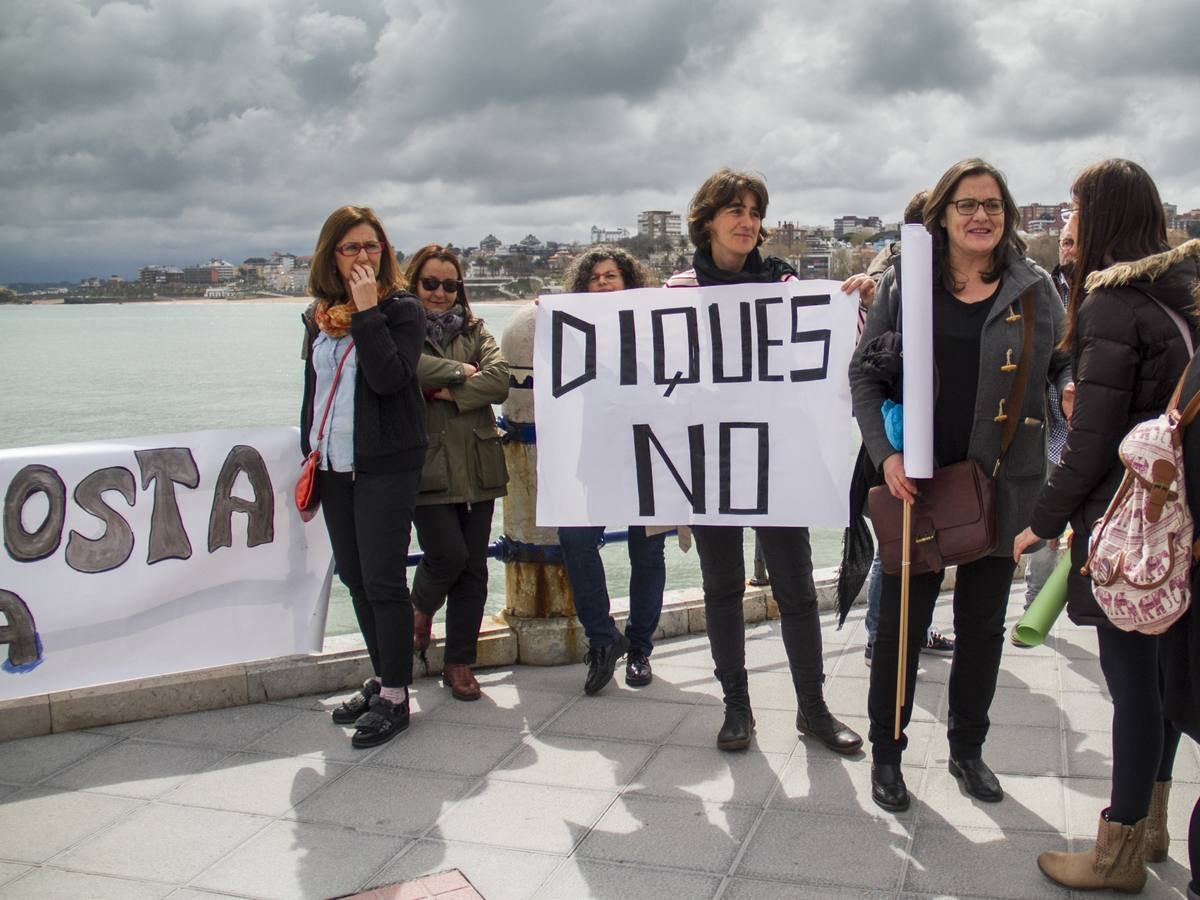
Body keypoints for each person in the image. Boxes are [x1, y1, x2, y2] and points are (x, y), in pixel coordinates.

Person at [851, 158, 1069, 812]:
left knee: (983, 628)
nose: (981, 217)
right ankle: (887, 754)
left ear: (1009, 216)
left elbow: (1060, 365)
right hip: (919, 484)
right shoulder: (906, 282)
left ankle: (967, 751)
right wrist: (884, 454)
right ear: (942, 214)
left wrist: (1071, 388)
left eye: (993, 206)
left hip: (1003, 483)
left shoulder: (1034, 288)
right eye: (967, 205)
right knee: (899, 628)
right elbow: (865, 375)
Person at [1014, 160, 1200, 892]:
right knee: (1160, 682)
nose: (1066, 224)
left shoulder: (1111, 308)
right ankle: (1151, 825)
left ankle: (1118, 850)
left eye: (1074, 209)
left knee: (1131, 690)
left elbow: (1090, 442)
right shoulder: (1178, 302)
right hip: (1174, 524)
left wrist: (1041, 522)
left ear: (1104, 218)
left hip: (1126, 531)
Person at [667, 167, 862, 756]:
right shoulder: (676, 291)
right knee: (722, 587)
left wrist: (853, 305)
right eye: (736, 211)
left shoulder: (786, 282)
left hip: (778, 456)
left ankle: (813, 709)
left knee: (798, 587)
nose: (748, 222)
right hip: (711, 458)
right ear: (707, 221)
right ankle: (736, 708)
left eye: (755, 212)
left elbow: (825, 357)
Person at [301, 206, 426, 748]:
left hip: (386, 465)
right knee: (354, 576)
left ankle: (397, 694)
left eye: (372, 246)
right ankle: (382, 675)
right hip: (333, 467)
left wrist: (370, 310)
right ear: (332, 255)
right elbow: (311, 391)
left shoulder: (402, 310)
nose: (362, 257)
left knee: (383, 580)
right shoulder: (318, 316)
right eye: (351, 248)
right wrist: (307, 450)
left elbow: (388, 379)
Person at [841, 190, 955, 665]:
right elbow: (866, 365)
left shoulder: (941, 280)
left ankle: (914, 629)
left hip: (928, 439)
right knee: (896, 540)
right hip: (893, 441)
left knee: (922, 538)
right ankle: (878, 637)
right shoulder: (895, 281)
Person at [557, 247, 668, 694]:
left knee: (647, 553)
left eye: (612, 276)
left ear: (629, 281)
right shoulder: (571, 332)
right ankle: (603, 640)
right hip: (595, 453)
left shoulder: (653, 327)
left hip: (649, 452)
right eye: (595, 278)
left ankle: (639, 648)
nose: (603, 283)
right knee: (575, 539)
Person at [405, 245, 509, 702]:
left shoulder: (475, 328)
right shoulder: (401, 328)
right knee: (446, 554)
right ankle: (420, 607)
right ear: (415, 284)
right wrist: (462, 372)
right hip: (427, 465)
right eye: (431, 283)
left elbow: (501, 380)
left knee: (475, 568)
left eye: (451, 284)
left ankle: (459, 662)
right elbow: (408, 367)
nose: (441, 292)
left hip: (479, 463)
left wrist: (445, 391)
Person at [1012, 211, 1077, 635]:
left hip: (1093, 428)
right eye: (1065, 242)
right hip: (1051, 427)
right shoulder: (1050, 288)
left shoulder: (1105, 296)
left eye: (1075, 242)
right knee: (1044, 517)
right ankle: (1036, 607)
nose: (1067, 250)